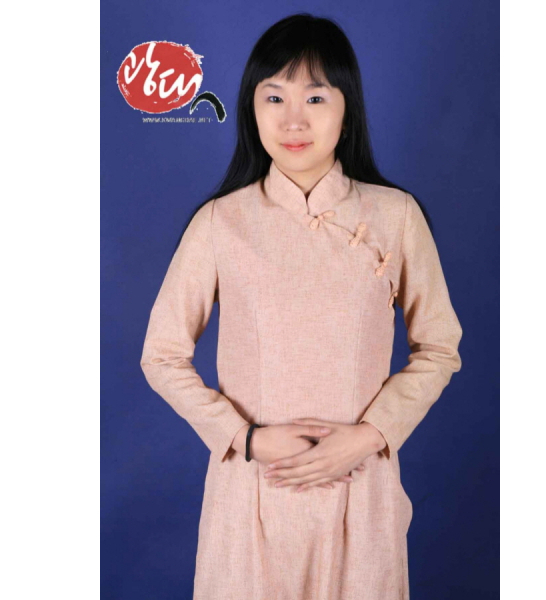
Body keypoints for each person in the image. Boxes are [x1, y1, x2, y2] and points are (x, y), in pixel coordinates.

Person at [140, 12, 463, 600]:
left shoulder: (395, 216)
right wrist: (245, 438)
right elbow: (161, 355)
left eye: (315, 97)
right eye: (274, 97)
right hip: (253, 494)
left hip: (360, 490)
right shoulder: (220, 223)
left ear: (346, 109)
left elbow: (440, 347)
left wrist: (370, 435)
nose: (293, 120)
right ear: (252, 109)